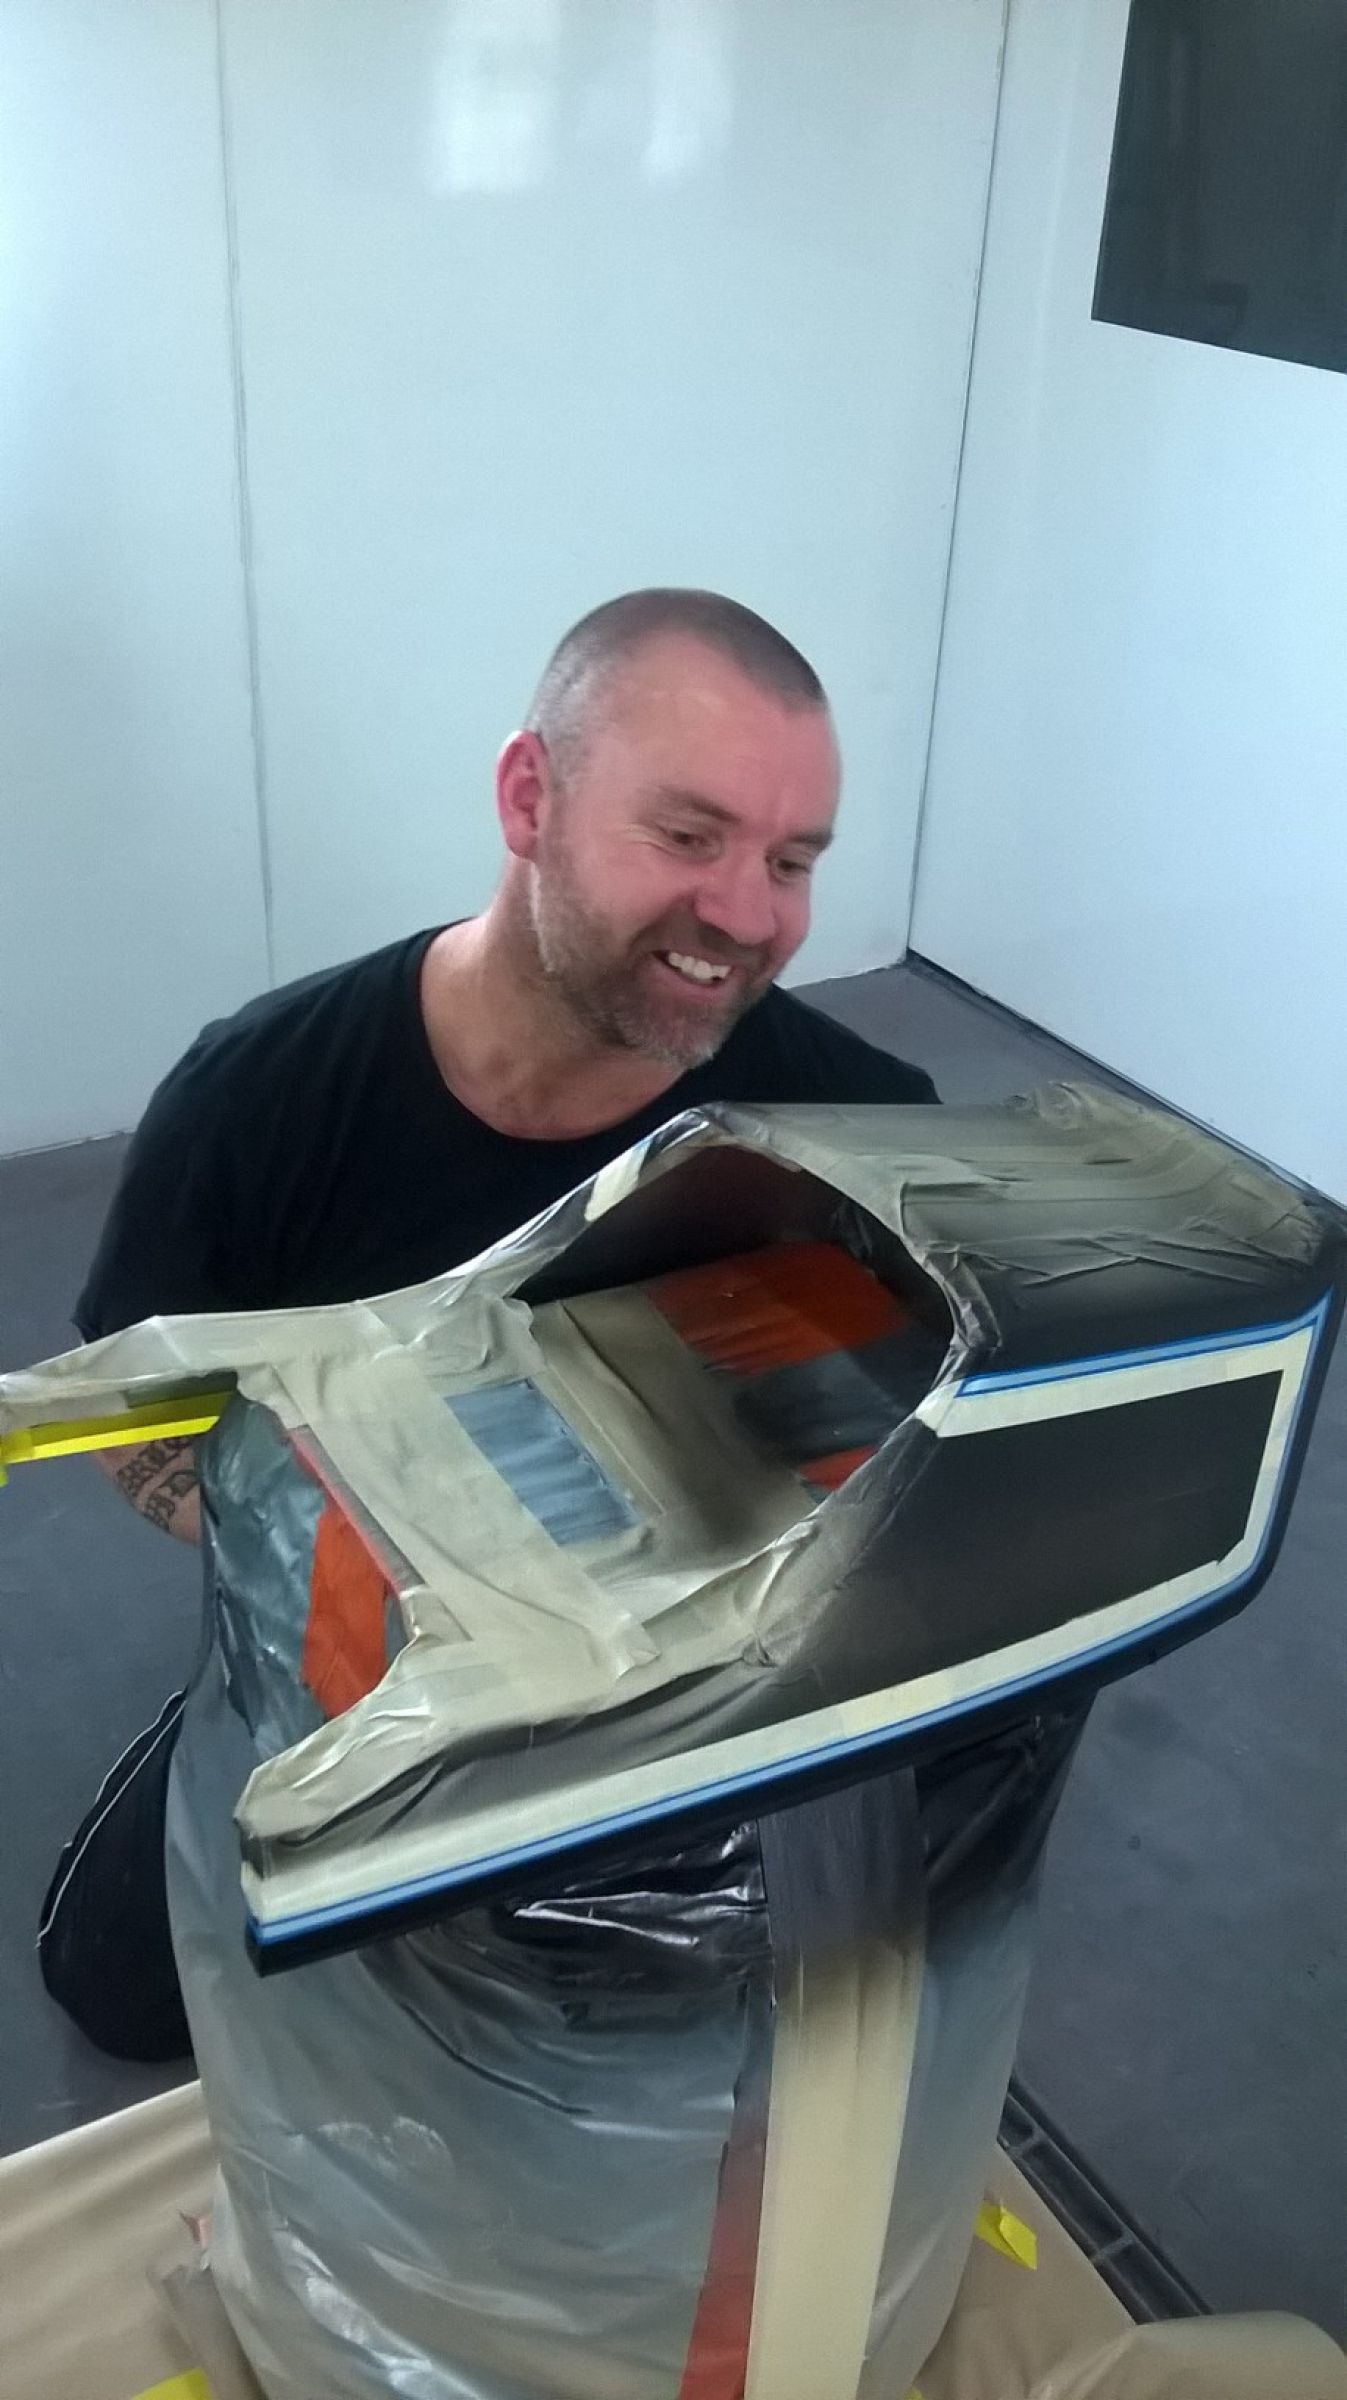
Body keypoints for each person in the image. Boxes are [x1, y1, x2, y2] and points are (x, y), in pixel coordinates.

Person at [41, 587, 938, 2062]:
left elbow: (908, 1491)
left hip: (691, 1680)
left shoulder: (862, 1134)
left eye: (793, 861)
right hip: (359, 1659)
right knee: (120, 1991)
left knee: (709, 2025)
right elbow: (129, 1432)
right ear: (531, 800)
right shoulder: (258, 1099)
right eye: (689, 835)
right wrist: (391, 1583)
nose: (747, 914)